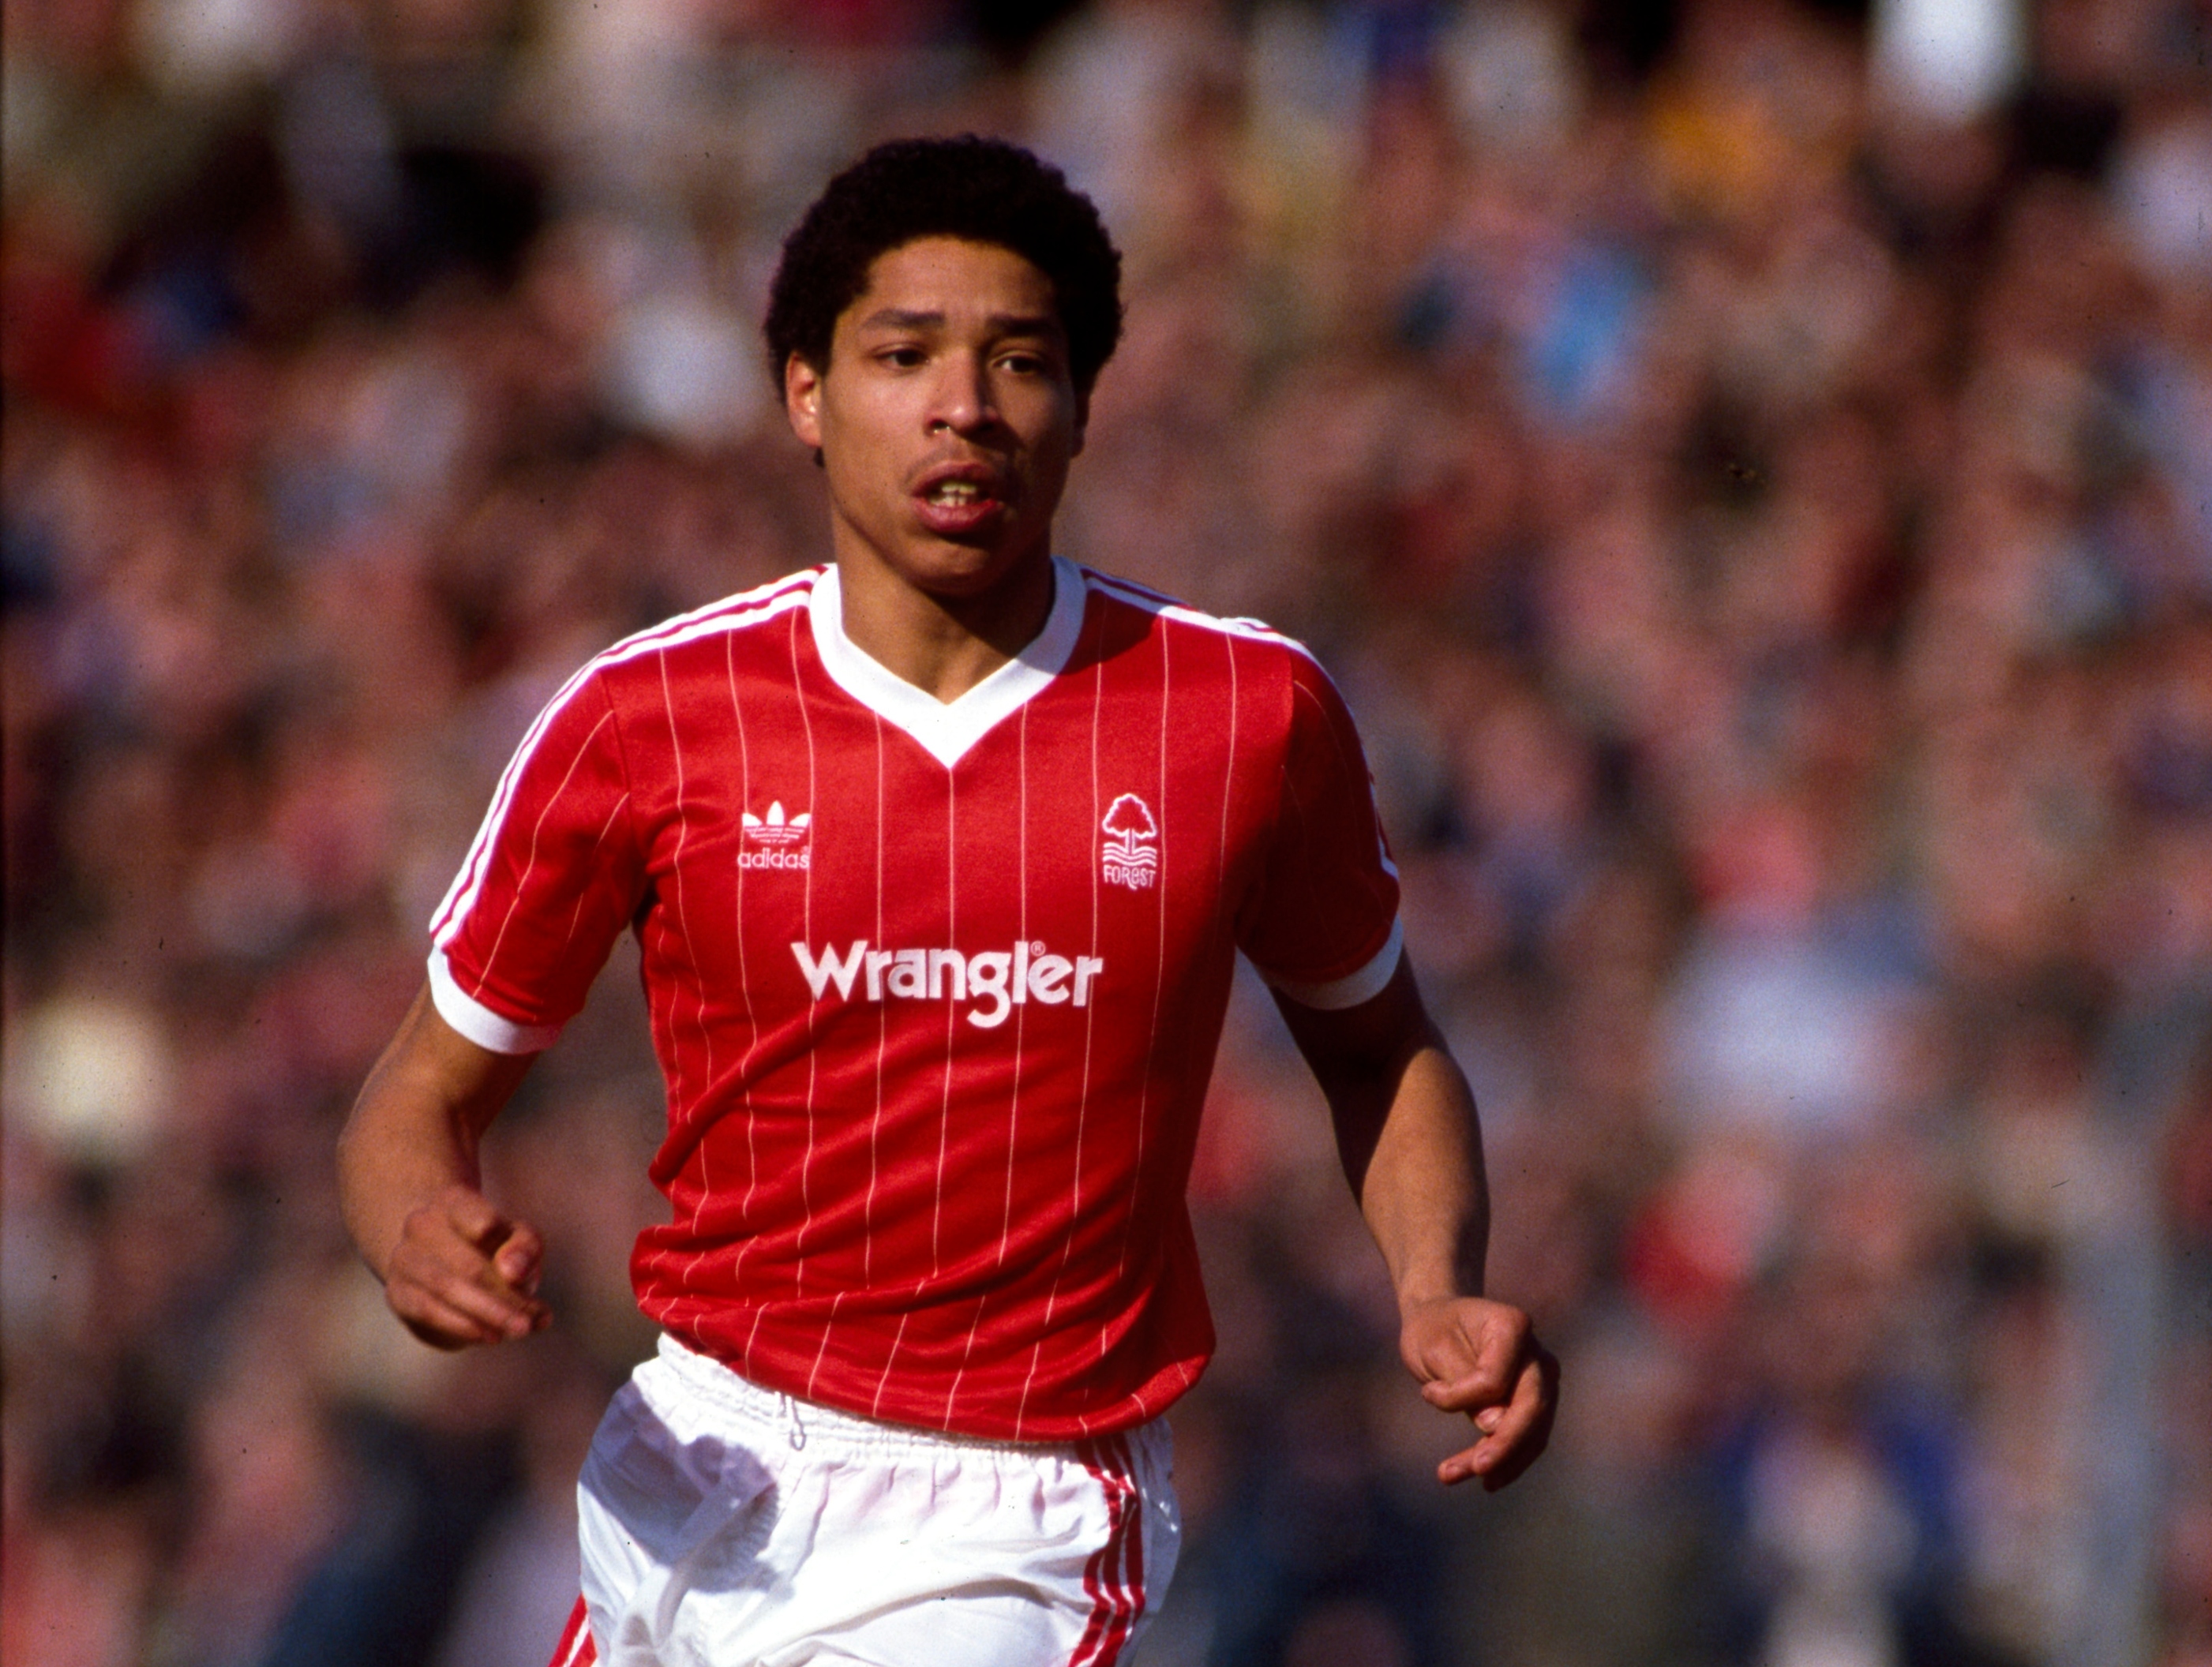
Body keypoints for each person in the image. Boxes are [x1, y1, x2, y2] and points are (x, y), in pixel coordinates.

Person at [337, 135, 1555, 1667]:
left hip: (1011, 1508)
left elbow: (1381, 1047)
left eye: (1019, 362)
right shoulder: (643, 717)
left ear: (1082, 408)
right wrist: (413, 1226)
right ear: (805, 394)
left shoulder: (1239, 713)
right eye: (903, 354)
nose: (963, 405)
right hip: (690, 1461)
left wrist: (1437, 1286)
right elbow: (420, 1094)